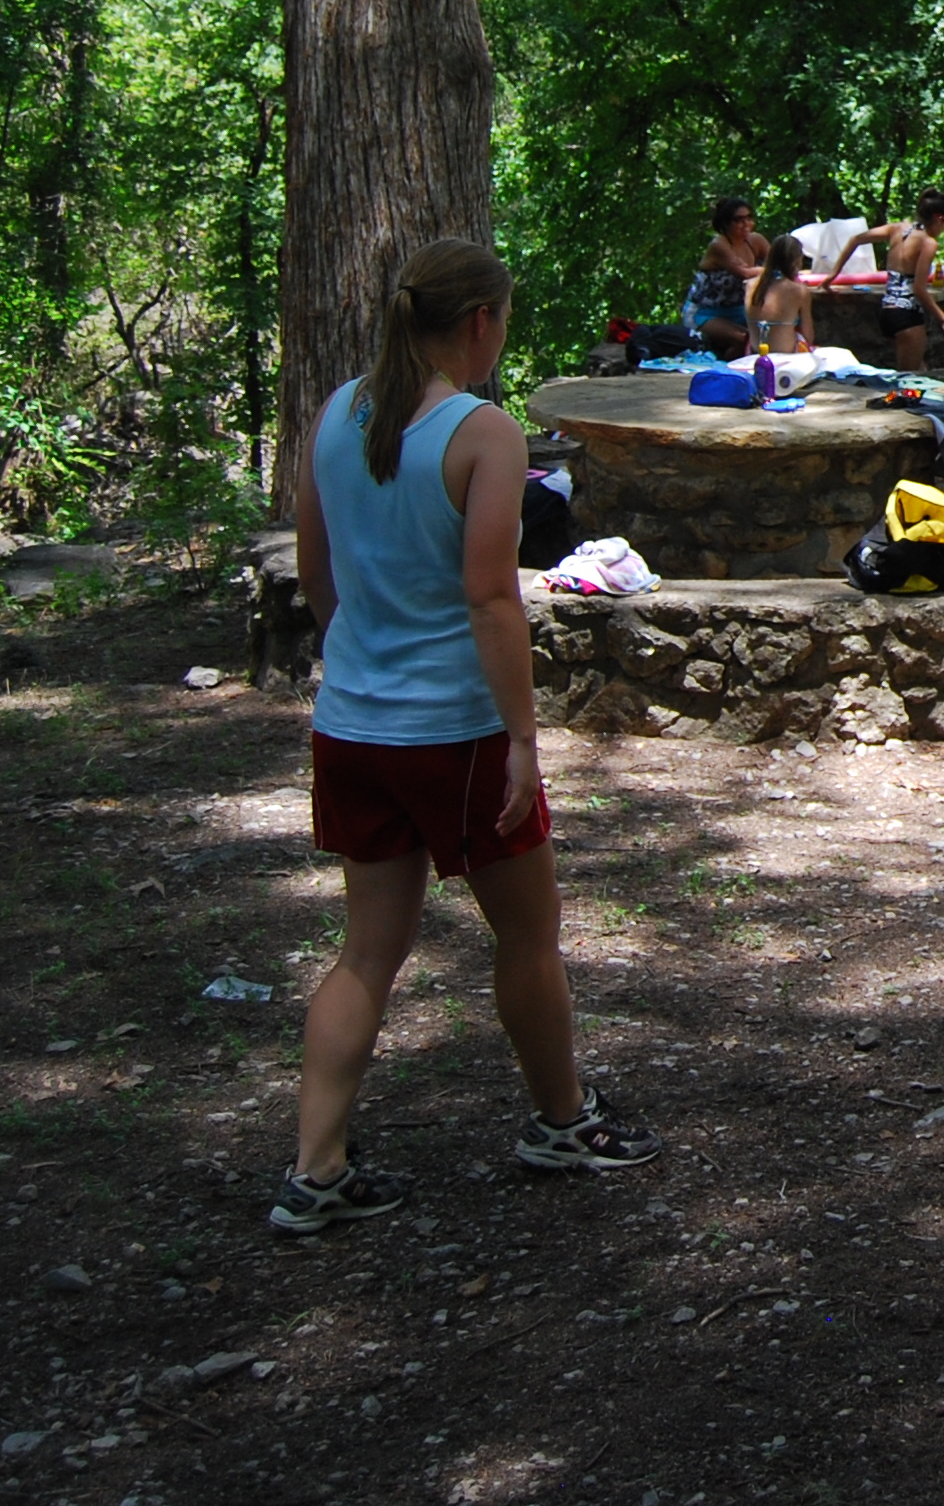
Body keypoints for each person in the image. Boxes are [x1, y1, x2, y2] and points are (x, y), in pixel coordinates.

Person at [277, 238, 660, 1233]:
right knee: (528, 935)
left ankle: (316, 1171)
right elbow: (491, 596)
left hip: (353, 724)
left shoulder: (339, 411)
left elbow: (316, 564)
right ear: (481, 322)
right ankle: (562, 1121)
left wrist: (357, 654)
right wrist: (522, 740)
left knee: (366, 952)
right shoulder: (481, 432)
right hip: (454, 732)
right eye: (505, 320)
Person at [822, 190, 944, 372]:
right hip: (908, 314)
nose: (943, 231)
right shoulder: (928, 243)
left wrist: (832, 275)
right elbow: (919, 289)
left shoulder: (897, 229)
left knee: (920, 372)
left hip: (888, 312)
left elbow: (856, 239)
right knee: (908, 379)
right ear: (939, 219)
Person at [685, 194, 767, 357]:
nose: (746, 224)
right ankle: (725, 365)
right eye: (739, 220)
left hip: (739, 310)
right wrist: (771, 269)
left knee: (768, 333)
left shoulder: (756, 241)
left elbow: (780, 261)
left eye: (749, 218)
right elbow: (744, 273)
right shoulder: (719, 245)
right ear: (725, 223)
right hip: (706, 312)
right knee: (744, 339)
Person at [747, 228, 815, 355]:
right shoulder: (799, 291)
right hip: (787, 355)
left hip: (755, 352)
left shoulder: (750, 285)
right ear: (797, 260)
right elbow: (808, 337)